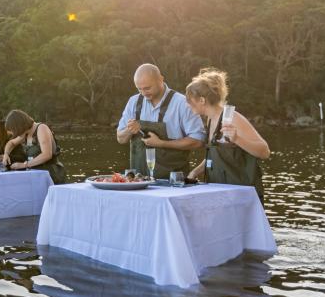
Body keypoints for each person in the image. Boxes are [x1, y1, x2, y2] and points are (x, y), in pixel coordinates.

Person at [185, 68, 270, 201]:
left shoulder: (233, 118)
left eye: (189, 100)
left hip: (242, 197)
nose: (187, 105)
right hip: (221, 194)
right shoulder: (210, 119)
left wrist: (237, 139)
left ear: (202, 100)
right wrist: (195, 172)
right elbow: (214, 154)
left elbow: (264, 151)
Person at [116, 64, 205, 179]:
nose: (143, 93)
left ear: (161, 79)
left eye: (147, 88)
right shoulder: (133, 102)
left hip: (173, 182)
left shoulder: (182, 103)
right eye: (139, 89)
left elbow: (198, 141)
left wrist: (161, 143)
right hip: (138, 182)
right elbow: (120, 139)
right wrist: (129, 130)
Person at [2, 109, 66, 184]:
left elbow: (46, 155)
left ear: (18, 127)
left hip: (50, 174)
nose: (13, 134)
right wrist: (6, 154)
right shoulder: (25, 133)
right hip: (34, 174)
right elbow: (11, 143)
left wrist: (23, 165)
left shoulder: (41, 128)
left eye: (13, 130)